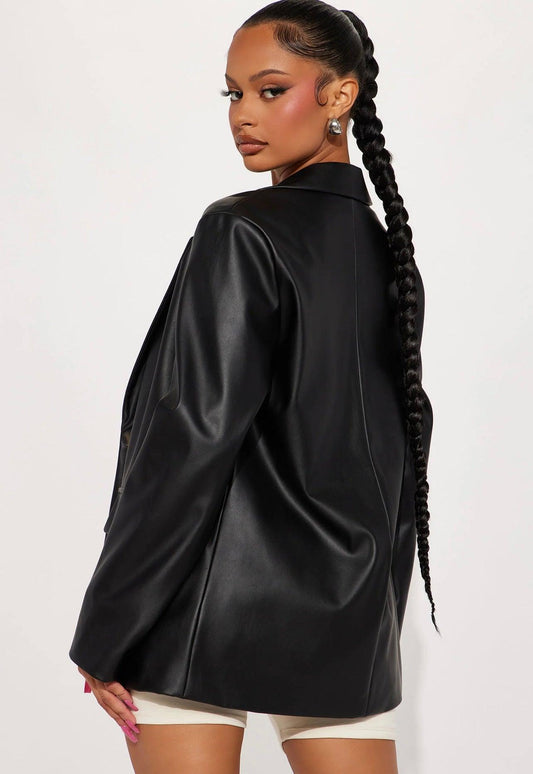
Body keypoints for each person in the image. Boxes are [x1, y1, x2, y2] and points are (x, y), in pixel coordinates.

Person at [69, 2, 438, 772]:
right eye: (233, 94)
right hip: (345, 615)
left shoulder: (240, 229)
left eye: (271, 90)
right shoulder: (390, 258)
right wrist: (372, 615)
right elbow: (398, 462)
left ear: (339, 95)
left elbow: (190, 438)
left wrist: (108, 627)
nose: (244, 114)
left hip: (199, 608)